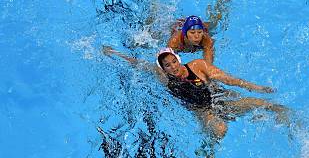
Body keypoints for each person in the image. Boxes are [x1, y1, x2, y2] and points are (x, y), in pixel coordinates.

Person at [102, 46, 287, 139]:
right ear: (163, 68)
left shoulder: (198, 66)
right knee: (220, 130)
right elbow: (139, 64)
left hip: (218, 100)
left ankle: (285, 120)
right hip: (202, 111)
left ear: (177, 58)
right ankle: (210, 145)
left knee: (262, 104)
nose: (172, 67)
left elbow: (229, 79)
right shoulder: (164, 78)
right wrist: (115, 54)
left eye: (173, 61)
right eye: (167, 65)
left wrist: (258, 88)